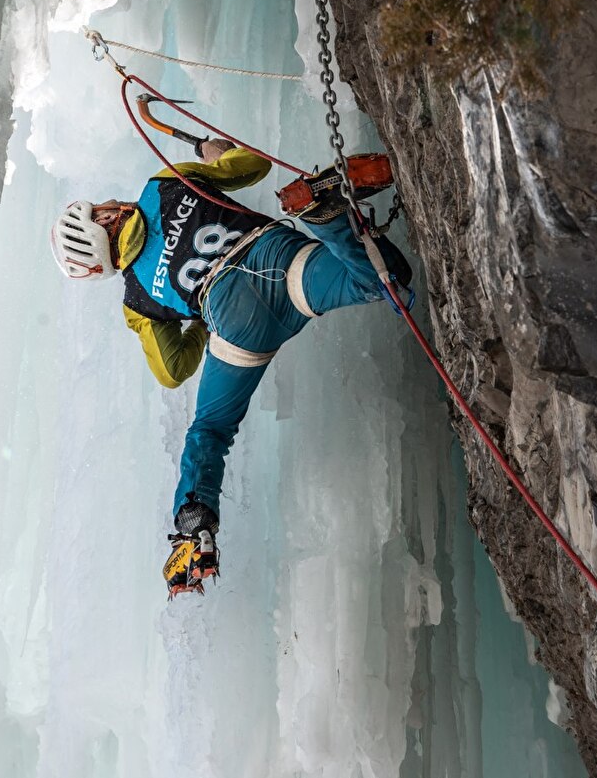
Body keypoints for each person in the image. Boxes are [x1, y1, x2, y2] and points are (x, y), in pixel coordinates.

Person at [50, 139, 412, 595]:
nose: (108, 203)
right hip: (277, 260)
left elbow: (172, 370)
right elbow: (253, 164)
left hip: (236, 326)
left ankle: (193, 529)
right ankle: (327, 218)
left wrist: (202, 325)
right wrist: (212, 157)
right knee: (382, 280)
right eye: (100, 208)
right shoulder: (162, 184)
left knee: (209, 431)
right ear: (102, 222)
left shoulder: (136, 300)